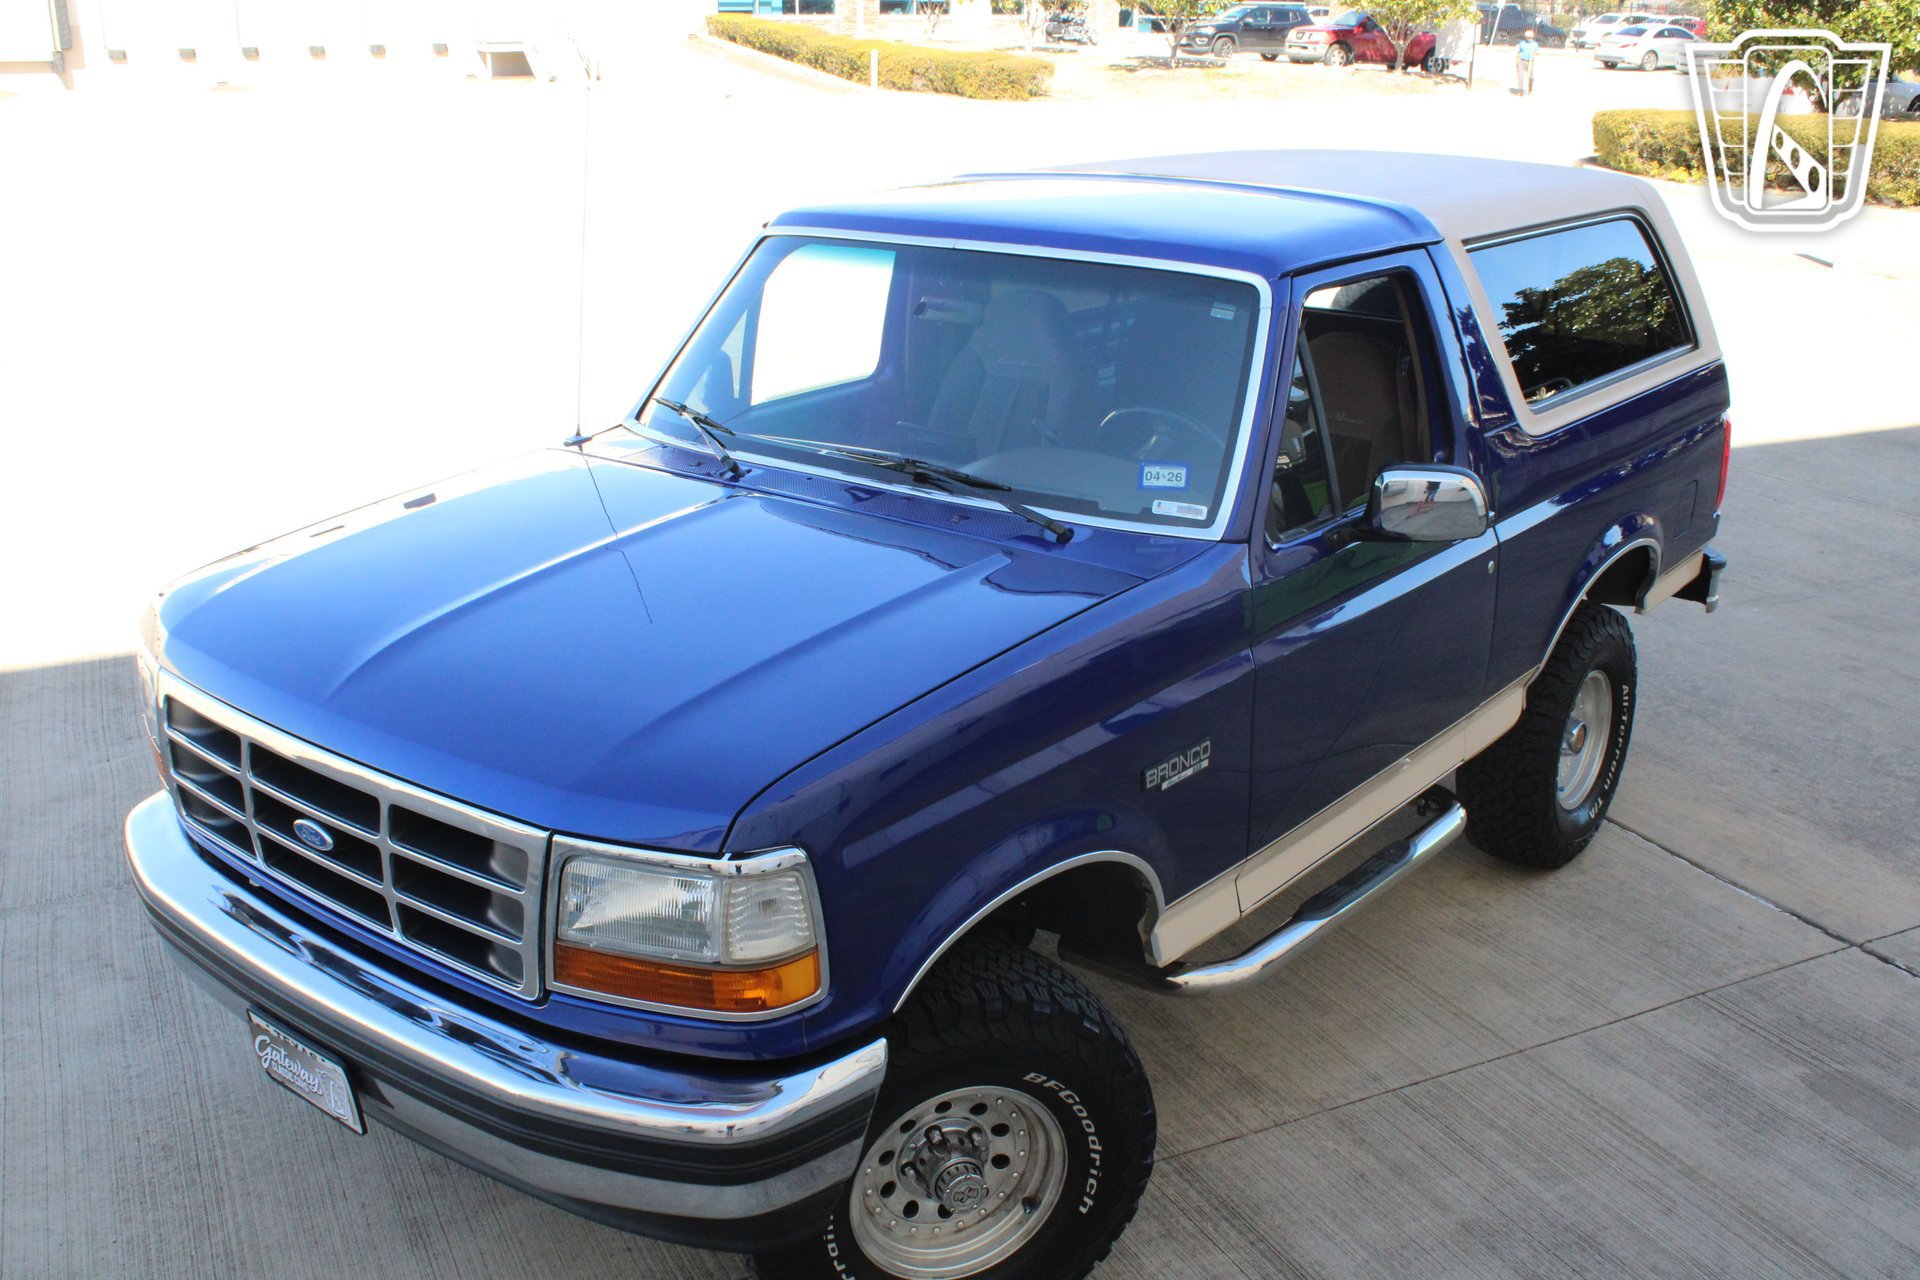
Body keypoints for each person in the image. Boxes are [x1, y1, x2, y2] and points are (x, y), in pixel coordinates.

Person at [1515, 28, 1539, 95]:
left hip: (1530, 62)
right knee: (1520, 77)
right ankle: (1521, 91)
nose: (1529, 38)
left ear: (1532, 37)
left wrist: (1534, 53)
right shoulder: (1522, 43)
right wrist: (1517, 61)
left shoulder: (1535, 44)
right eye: (1527, 37)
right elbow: (1518, 52)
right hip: (1521, 61)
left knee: (1531, 77)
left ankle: (1530, 89)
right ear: (1525, 37)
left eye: (1530, 37)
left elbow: (1538, 52)